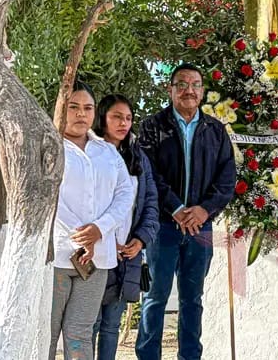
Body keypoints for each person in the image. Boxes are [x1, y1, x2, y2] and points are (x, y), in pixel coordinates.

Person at [135, 63, 236, 360]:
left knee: (193, 300)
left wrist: (205, 210)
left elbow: (227, 178)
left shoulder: (216, 131)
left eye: (194, 84)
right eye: (182, 84)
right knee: (155, 297)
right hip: (163, 228)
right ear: (170, 89)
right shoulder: (152, 126)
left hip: (200, 230)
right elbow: (148, 172)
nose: (188, 90)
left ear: (202, 91)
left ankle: (190, 356)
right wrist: (176, 208)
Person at [49, 81, 134, 360]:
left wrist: (100, 229)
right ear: (60, 107)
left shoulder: (107, 152)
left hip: (97, 260)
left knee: (80, 333)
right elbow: (48, 197)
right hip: (56, 257)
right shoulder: (48, 147)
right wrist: (81, 236)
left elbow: (124, 193)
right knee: (46, 333)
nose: (81, 114)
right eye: (73, 107)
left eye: (87, 108)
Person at [92, 94, 159, 360]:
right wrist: (105, 241)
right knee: (90, 324)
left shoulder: (138, 157)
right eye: (116, 117)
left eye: (128, 118)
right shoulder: (90, 153)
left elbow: (151, 204)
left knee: (111, 326)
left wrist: (140, 240)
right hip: (97, 254)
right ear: (102, 118)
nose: (123, 123)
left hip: (128, 255)